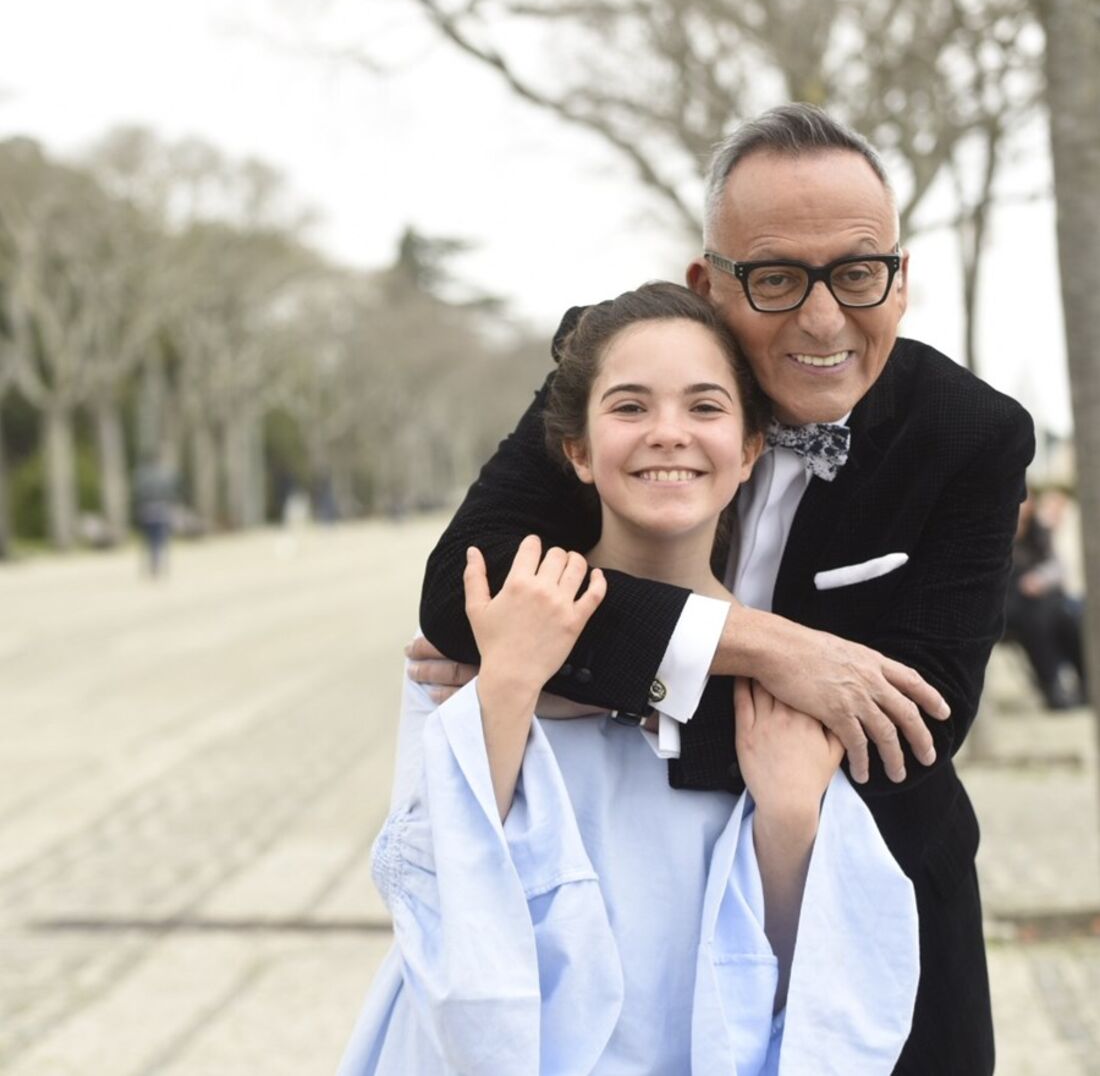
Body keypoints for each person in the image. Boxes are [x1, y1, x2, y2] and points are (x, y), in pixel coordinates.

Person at [413, 105, 1035, 1074]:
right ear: (711, 280)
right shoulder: (623, 373)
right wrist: (767, 647)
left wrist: (553, 687)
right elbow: (462, 594)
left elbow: (913, 724)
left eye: (857, 271)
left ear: (900, 278)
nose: (823, 318)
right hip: (619, 911)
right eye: (777, 277)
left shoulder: (973, 435)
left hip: (871, 898)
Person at [338, 284, 918, 1074]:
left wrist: (789, 822)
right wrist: (508, 686)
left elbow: (821, 980)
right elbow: (438, 889)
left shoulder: (793, 672)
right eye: (630, 408)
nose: (668, 435)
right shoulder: (495, 629)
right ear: (577, 448)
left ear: (752, 447)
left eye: (706, 408)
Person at [1004, 490, 1087, 709]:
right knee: (1037, 621)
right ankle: (1052, 686)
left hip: (1042, 600)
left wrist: (1039, 579)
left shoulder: (1038, 532)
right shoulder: (999, 534)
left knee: (1068, 617)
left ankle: (1086, 684)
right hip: (1009, 605)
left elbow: (1057, 566)